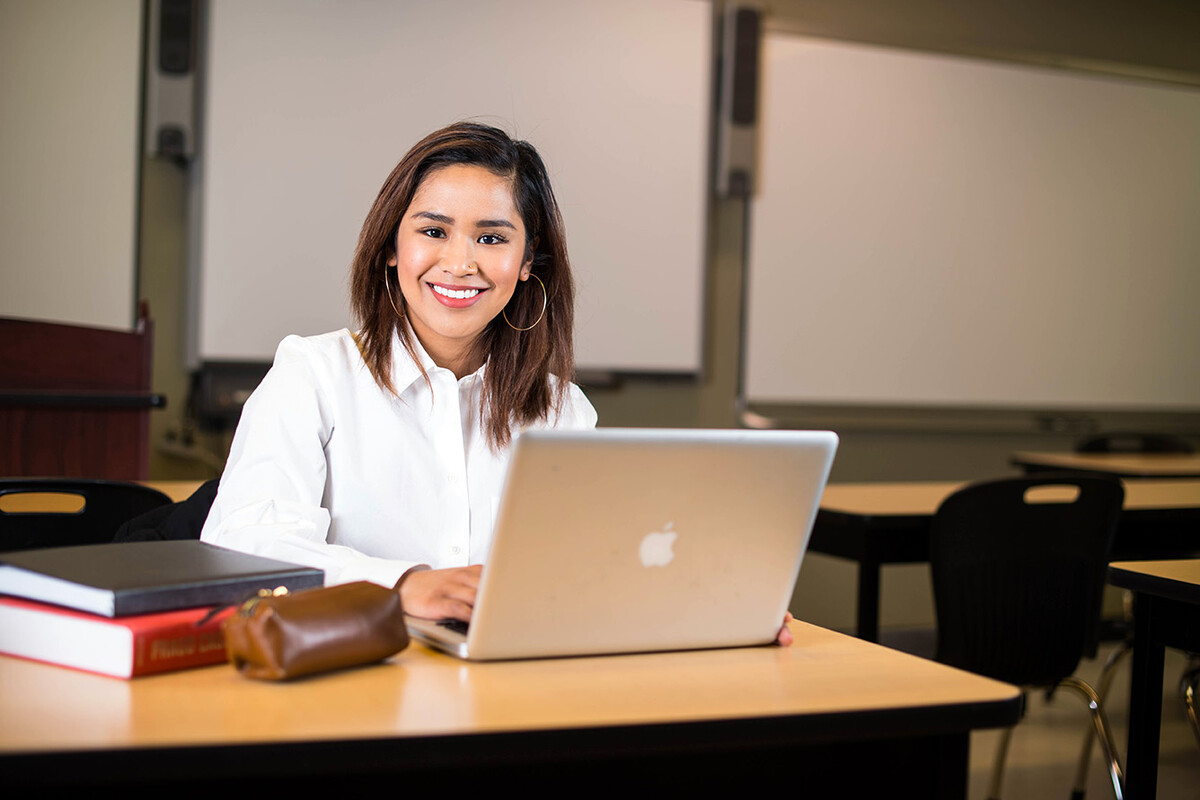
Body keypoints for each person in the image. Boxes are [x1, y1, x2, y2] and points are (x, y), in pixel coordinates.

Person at [200, 121, 596, 622]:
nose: (459, 263)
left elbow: (581, 575)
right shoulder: (313, 375)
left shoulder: (565, 411)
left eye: (491, 238)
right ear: (391, 248)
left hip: (507, 681)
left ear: (526, 262)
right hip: (351, 674)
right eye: (433, 232)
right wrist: (402, 586)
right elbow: (241, 542)